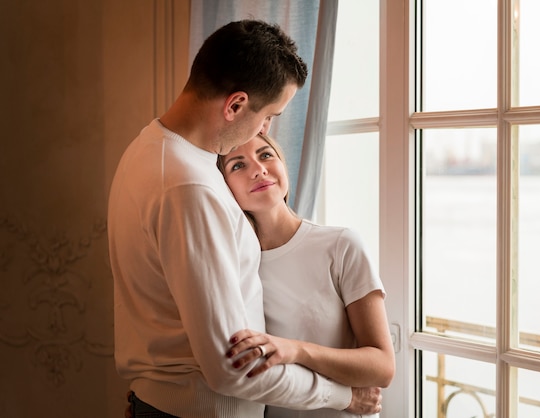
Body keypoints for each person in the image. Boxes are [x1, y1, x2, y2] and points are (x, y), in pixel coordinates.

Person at [108, 19, 381, 418]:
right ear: (235, 104)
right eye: (269, 115)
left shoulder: (146, 149)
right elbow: (231, 368)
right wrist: (345, 397)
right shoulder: (190, 187)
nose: (267, 130)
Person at [217, 133, 396, 417]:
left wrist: (296, 350)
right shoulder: (231, 266)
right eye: (237, 165)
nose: (259, 169)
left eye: (265, 155)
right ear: (222, 188)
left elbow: (383, 368)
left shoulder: (341, 245)